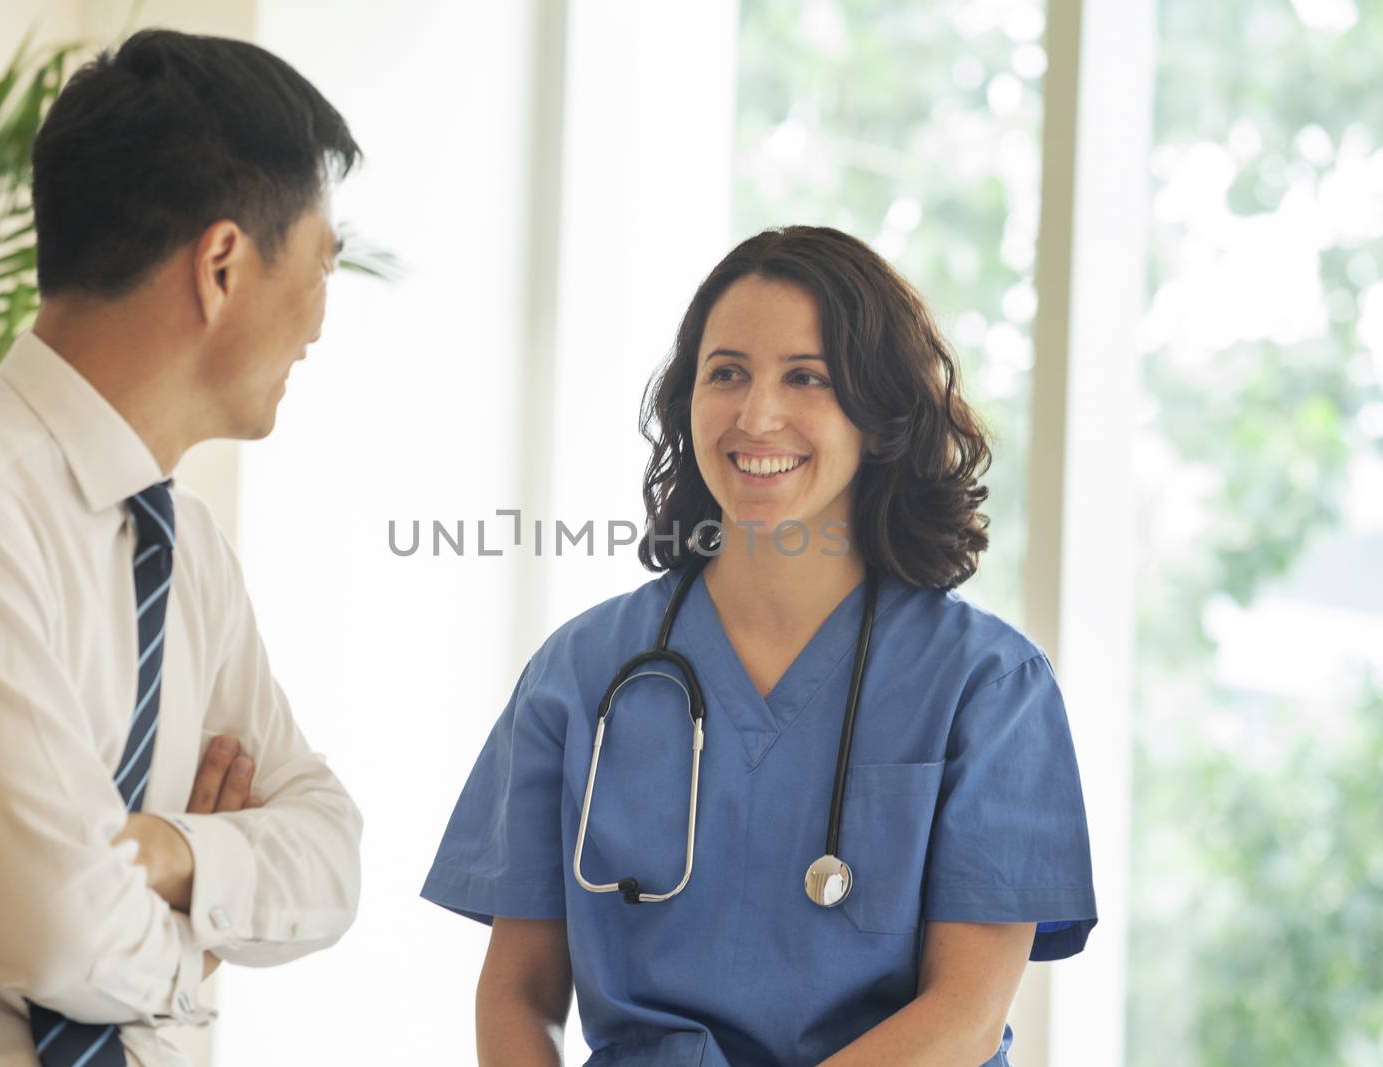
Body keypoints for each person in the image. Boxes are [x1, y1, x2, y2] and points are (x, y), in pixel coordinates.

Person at [422, 226, 1097, 1066]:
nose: (756, 415)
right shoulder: (581, 672)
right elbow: (517, 994)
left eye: (806, 377)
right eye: (727, 373)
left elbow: (963, 1015)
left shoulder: (990, 687)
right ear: (688, 402)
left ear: (879, 415)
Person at [0, 30, 362, 1067]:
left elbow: (331, 853)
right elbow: (59, 928)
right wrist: (195, 954)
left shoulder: (183, 545)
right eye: (321, 266)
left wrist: (169, 850)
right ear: (222, 265)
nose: (319, 327)